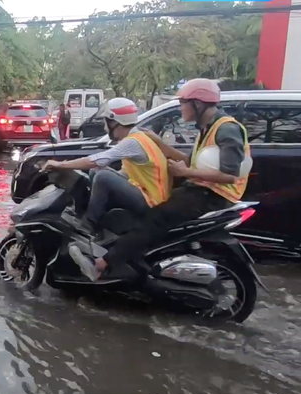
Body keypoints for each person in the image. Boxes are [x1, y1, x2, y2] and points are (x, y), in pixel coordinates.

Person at [85, 78, 250, 281]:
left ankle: (105, 262)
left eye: (183, 103)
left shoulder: (226, 129)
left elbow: (230, 175)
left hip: (212, 195)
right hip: (201, 189)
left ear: (197, 104)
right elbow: (188, 161)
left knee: (155, 218)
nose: (181, 108)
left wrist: (185, 173)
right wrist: (159, 143)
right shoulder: (208, 128)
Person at [41, 98, 171, 278]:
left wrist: (61, 165)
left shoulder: (133, 141)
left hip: (151, 200)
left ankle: (88, 225)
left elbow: (98, 158)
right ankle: (100, 227)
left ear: (114, 121)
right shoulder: (137, 138)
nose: (104, 125)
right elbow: (122, 173)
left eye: (106, 121)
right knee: (98, 172)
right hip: (148, 194)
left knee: (101, 174)